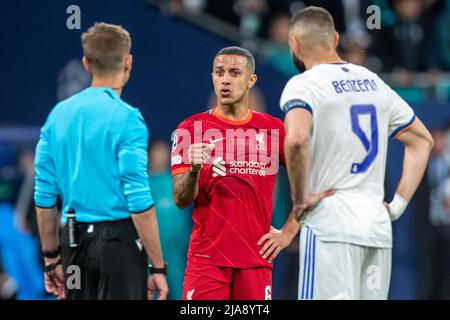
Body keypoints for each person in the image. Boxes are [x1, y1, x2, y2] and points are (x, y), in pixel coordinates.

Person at [261, 6, 434, 300]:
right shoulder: (373, 82)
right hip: (376, 226)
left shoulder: (304, 85)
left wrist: (300, 199)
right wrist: (397, 205)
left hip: (331, 224)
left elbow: (297, 138)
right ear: (336, 38)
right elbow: (422, 140)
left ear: (295, 45)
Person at [34, 22, 168, 300]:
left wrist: (51, 259)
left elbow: (44, 197)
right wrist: (157, 267)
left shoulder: (57, 116)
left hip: (72, 247)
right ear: (128, 62)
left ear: (86, 63)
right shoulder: (128, 118)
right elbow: (139, 202)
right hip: (118, 247)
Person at [171, 46, 305, 300]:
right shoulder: (189, 129)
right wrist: (194, 171)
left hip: (256, 261)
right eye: (219, 72)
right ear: (212, 76)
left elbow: (311, 180)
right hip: (206, 261)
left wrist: (288, 232)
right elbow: (180, 199)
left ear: (251, 80)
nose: (225, 79)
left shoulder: (274, 130)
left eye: (234, 72)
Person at [148, 141, 192, 300]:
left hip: (177, 247)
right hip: (152, 249)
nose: (161, 157)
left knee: (180, 287)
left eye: (164, 153)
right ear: (149, 156)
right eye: (157, 153)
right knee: (152, 289)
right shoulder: (143, 183)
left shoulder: (178, 180)